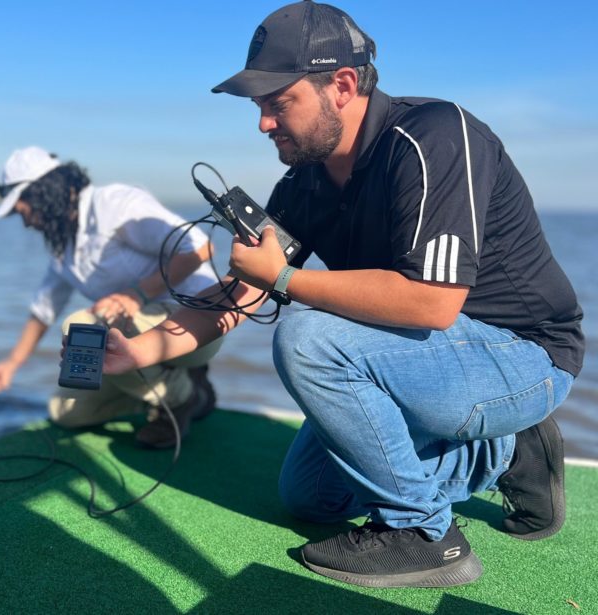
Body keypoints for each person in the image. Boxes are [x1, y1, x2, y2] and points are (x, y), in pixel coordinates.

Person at [95, 0, 584, 588]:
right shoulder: (304, 181)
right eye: (259, 107)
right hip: (419, 356)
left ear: (343, 85)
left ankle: (423, 536)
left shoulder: (434, 137)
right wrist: (140, 352)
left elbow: (433, 302)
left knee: (306, 334)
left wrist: (284, 278)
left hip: (522, 356)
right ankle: (505, 454)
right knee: (309, 497)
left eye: (278, 103)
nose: (263, 123)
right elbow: (242, 292)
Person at [0, 146, 225, 449]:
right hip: (139, 334)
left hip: (196, 319)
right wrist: (12, 363)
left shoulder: (115, 203)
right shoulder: (62, 245)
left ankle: (180, 399)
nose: (27, 223)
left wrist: (136, 294)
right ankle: (185, 392)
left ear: (43, 193)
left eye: (23, 211)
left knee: (81, 327)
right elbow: (43, 309)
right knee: (65, 413)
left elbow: (201, 248)